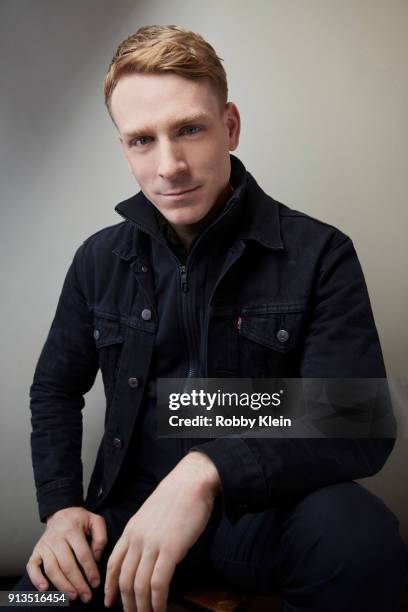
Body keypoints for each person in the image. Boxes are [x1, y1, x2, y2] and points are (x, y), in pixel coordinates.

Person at [13, 25, 406, 612]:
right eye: (142, 140)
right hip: (130, 518)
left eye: (190, 129)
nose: (169, 166)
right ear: (124, 148)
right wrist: (63, 507)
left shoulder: (321, 252)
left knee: (364, 540)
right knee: (26, 607)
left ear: (230, 126)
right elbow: (53, 390)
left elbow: (357, 415)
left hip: (265, 516)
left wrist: (206, 467)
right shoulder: (97, 260)